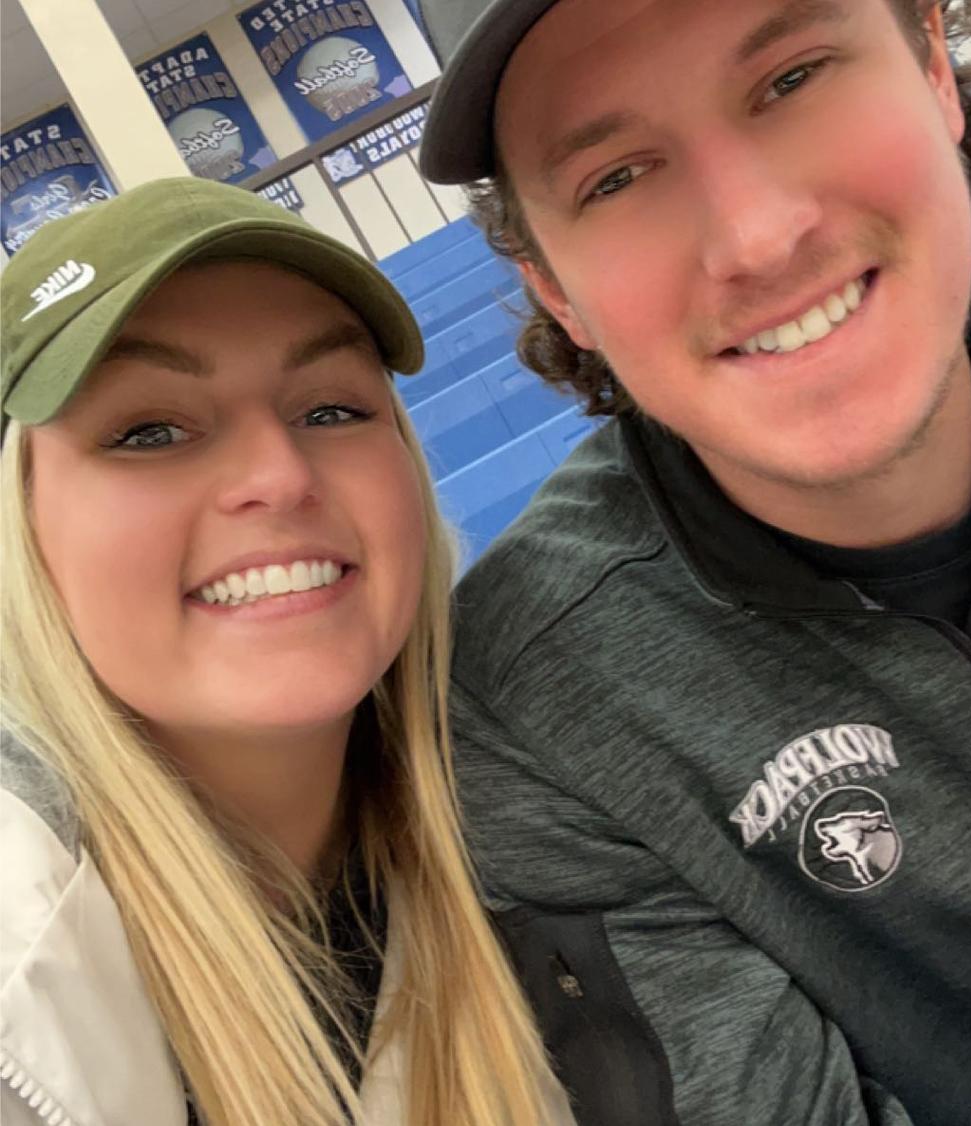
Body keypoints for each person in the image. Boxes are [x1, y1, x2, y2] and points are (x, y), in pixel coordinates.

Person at [415, 0, 971, 1122]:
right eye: (615, 177)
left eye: (792, 80)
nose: (755, 237)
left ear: (933, 69)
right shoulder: (531, 711)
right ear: (556, 288)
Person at [0, 178, 573, 1126]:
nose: (278, 475)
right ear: (24, 531)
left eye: (332, 410)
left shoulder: (567, 814)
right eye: (150, 431)